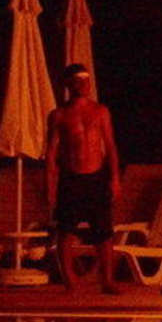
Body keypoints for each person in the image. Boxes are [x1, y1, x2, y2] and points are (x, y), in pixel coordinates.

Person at [46, 64, 121, 294]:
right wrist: (50, 185)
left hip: (96, 177)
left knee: (104, 231)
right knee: (66, 230)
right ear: (68, 84)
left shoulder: (100, 111)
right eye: (78, 81)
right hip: (71, 178)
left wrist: (115, 178)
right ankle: (69, 280)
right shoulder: (59, 115)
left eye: (86, 80)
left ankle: (107, 280)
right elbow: (51, 153)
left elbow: (110, 146)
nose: (83, 85)